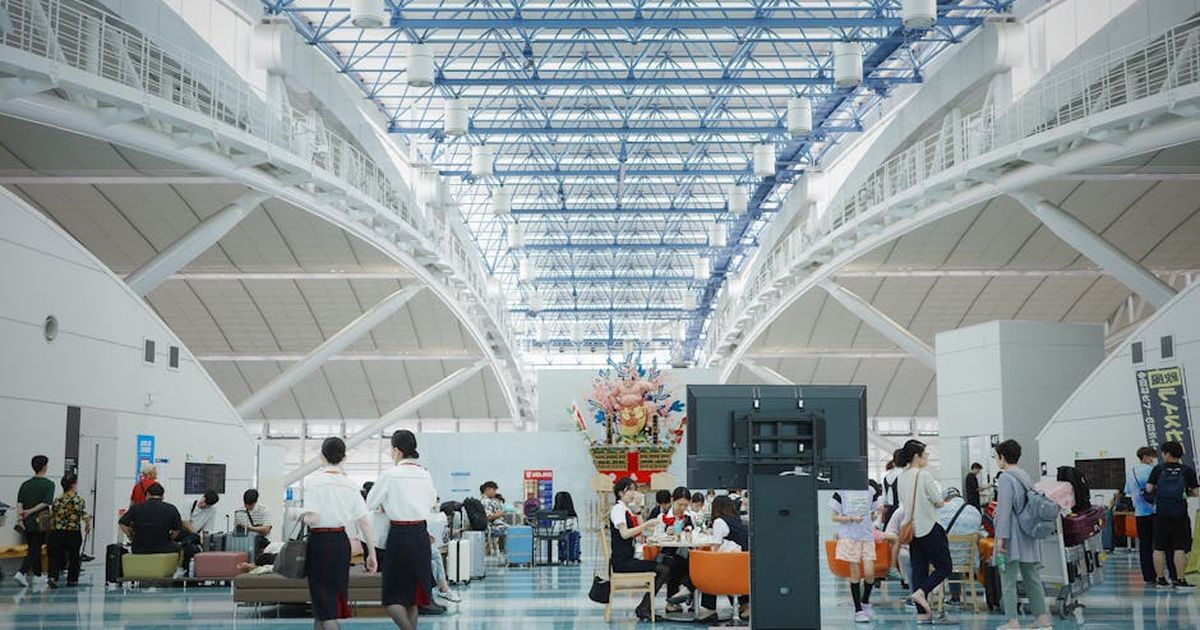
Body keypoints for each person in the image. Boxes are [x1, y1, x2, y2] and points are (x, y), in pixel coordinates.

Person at [367, 430, 444, 630]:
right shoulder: (425, 475)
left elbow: (371, 502)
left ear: (396, 450)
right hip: (420, 534)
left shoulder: (390, 475)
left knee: (392, 597)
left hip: (399, 536)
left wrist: (386, 505)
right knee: (413, 597)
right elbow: (430, 504)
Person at [299, 437, 377, 630]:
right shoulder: (350, 485)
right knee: (325, 604)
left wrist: (297, 515)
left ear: (321, 456)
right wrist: (372, 553)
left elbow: (311, 518)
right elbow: (365, 521)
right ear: (344, 457)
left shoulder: (312, 482)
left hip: (319, 542)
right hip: (341, 544)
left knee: (323, 604)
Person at [992, 439, 1052, 629]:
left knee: (1007, 578)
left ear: (1002, 457)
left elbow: (1004, 510)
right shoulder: (1024, 475)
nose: (996, 460)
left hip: (1011, 534)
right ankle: (1042, 619)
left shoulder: (1005, 477)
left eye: (997, 457)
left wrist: (1000, 539)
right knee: (1031, 576)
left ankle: (1012, 621)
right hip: (1028, 533)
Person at [895, 438, 952, 624]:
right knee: (944, 567)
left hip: (911, 529)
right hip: (929, 526)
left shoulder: (901, 476)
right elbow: (937, 501)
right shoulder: (924, 475)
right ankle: (921, 593)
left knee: (919, 569)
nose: (927, 457)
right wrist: (942, 501)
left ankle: (922, 615)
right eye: (925, 454)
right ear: (915, 456)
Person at [609, 477, 669, 621]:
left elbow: (639, 532)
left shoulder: (625, 509)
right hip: (622, 562)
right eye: (629, 490)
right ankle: (643, 607)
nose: (632, 493)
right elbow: (624, 534)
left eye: (633, 490)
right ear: (620, 493)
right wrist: (646, 524)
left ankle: (644, 607)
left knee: (662, 566)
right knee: (664, 569)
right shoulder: (618, 510)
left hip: (627, 558)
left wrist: (638, 512)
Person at [1146, 440, 1200, 590]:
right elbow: (1197, 492)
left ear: (1167, 454)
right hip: (1180, 514)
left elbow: (1149, 489)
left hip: (1161, 514)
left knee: (1158, 548)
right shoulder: (1187, 470)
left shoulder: (1158, 469)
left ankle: (1161, 579)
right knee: (1179, 548)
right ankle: (1180, 580)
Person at [830, 484, 882, 623]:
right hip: (849, 537)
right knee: (855, 574)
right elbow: (834, 517)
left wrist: (874, 516)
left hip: (867, 536)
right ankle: (858, 610)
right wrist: (852, 519)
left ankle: (865, 601)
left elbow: (876, 510)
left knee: (870, 573)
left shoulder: (870, 490)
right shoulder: (841, 491)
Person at [1126, 446, 1178, 584]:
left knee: (1145, 546)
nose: (1153, 459)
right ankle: (1171, 574)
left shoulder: (1131, 472)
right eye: (1151, 456)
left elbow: (1127, 491)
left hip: (1139, 514)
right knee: (1163, 545)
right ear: (1144, 457)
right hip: (1155, 512)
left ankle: (1149, 576)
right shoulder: (1153, 470)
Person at [695, 495, 749, 622]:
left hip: (730, 565)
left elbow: (716, 544)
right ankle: (745, 604)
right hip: (743, 563)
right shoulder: (737, 520)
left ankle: (709, 608)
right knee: (717, 565)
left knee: (707, 569)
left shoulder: (719, 521)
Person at [936, 487, 983, 605]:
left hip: (944, 559)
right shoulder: (974, 511)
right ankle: (955, 597)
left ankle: (927, 594)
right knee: (956, 553)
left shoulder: (940, 510)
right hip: (967, 560)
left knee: (946, 553)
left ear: (946, 499)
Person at [14, 454, 55, 587]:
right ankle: (21, 572)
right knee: (36, 549)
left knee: (33, 547)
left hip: (26, 522)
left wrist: (20, 518)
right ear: (44, 467)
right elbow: (45, 503)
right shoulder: (49, 484)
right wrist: (31, 511)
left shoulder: (25, 485)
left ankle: (37, 575)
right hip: (41, 521)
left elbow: (19, 503)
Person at [46, 473, 89, 588]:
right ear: (73, 485)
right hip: (73, 532)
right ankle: (72, 579)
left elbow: (52, 516)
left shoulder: (58, 499)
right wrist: (88, 525)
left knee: (55, 555)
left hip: (57, 531)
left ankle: (53, 577)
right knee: (74, 556)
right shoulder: (78, 500)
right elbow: (84, 516)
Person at [118, 482, 183, 555]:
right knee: (179, 547)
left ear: (148, 494)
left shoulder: (137, 507)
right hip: (164, 548)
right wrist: (169, 539)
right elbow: (177, 530)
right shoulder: (171, 508)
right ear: (162, 496)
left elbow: (122, 523)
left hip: (139, 548)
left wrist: (131, 536)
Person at [235, 489, 273, 558]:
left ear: (255, 502)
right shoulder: (239, 511)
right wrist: (259, 528)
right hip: (244, 545)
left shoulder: (264, 510)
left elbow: (266, 530)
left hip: (261, 545)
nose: (248, 507)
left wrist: (249, 528)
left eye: (250, 505)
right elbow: (239, 530)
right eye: (246, 504)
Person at [479, 481, 507, 552]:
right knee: (514, 532)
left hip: (496, 525)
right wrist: (500, 514)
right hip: (492, 527)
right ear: (487, 489)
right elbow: (488, 517)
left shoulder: (490, 501)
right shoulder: (486, 501)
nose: (495, 492)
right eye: (493, 490)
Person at [881, 450, 902, 529]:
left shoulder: (887, 475)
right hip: (902, 511)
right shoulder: (905, 474)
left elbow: (884, 499)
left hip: (890, 511)